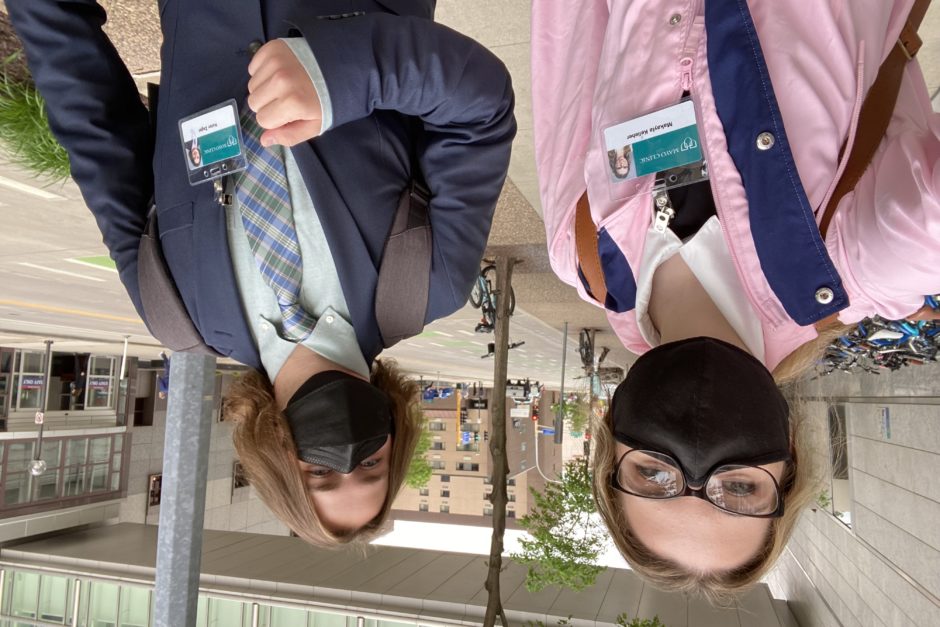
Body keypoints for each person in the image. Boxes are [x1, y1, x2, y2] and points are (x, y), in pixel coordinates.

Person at [9, 0, 515, 546]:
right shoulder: (428, 282)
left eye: (321, 473)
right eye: (370, 466)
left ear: (277, 460)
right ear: (394, 441)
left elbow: (93, 125)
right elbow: (481, 110)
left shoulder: (176, 310)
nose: (347, 452)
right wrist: (343, 76)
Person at [531, 0, 939, 600]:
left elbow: (566, 45)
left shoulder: (583, 252)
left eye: (653, 476)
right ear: (789, 457)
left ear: (607, 442)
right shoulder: (857, 263)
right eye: (740, 492)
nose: (697, 459)